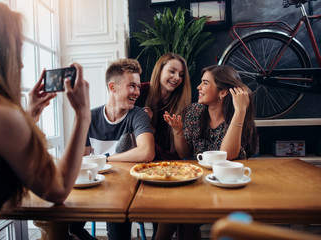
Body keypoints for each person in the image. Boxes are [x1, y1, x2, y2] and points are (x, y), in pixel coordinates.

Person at [0, 1, 91, 239]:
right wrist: (83, 114)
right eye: (17, 49)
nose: (21, 63)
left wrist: (27, 117)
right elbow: (58, 188)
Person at [157, 65, 257, 240]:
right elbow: (184, 154)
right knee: (176, 209)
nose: (198, 87)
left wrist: (240, 110)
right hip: (197, 182)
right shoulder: (195, 111)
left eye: (204, 83)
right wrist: (178, 132)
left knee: (181, 211)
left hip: (226, 188)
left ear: (222, 92)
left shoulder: (236, 117)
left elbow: (227, 154)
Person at [70, 59, 155, 240]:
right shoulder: (89, 116)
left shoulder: (137, 115)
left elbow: (147, 152)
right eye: (132, 86)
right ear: (113, 87)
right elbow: (81, 158)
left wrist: (104, 159)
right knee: (67, 229)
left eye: (139, 87)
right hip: (92, 186)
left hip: (122, 191)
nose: (137, 92)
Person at [135, 52, 191, 161]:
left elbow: (183, 153)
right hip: (143, 159)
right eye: (172, 71)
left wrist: (178, 131)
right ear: (159, 70)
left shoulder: (181, 102)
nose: (177, 77)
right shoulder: (141, 91)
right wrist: (144, 122)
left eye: (181, 74)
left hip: (171, 163)